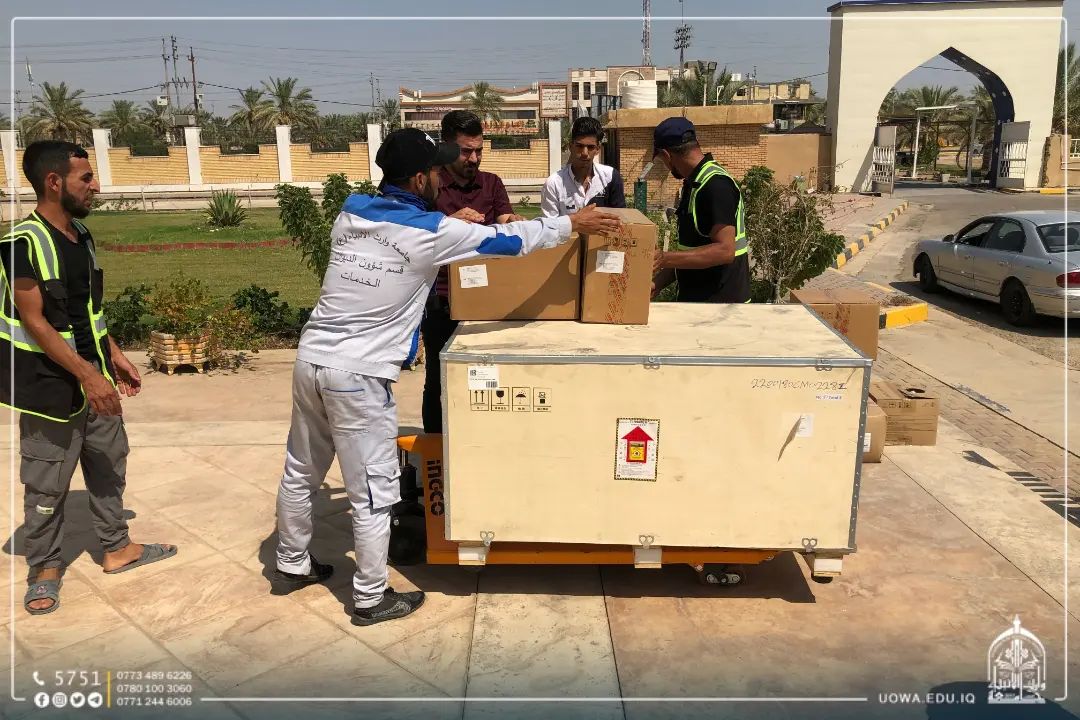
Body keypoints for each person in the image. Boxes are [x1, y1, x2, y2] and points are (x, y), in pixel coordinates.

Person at [274, 128, 620, 626]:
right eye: (437, 170)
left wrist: (447, 223)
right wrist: (572, 223)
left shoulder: (350, 212)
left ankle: (291, 562)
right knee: (373, 492)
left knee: (301, 470)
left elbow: (399, 236)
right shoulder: (431, 232)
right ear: (420, 179)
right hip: (359, 376)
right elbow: (510, 240)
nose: (444, 176)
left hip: (311, 360)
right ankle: (370, 598)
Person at [0, 140, 176, 616]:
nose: (96, 186)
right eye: (86, 178)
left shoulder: (81, 236)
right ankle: (45, 569)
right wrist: (88, 376)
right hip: (49, 389)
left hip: (95, 378)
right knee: (46, 484)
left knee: (108, 464)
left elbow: (85, 311)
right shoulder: (21, 243)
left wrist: (113, 356)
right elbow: (35, 322)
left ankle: (117, 548)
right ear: (54, 182)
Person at [419, 110, 524, 433]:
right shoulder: (431, 184)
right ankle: (436, 449)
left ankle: (479, 439)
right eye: (466, 152)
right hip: (442, 299)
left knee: (486, 378)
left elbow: (503, 218)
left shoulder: (491, 183)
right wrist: (450, 224)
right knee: (438, 378)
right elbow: (417, 235)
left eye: (479, 150)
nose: (474, 158)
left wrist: (513, 221)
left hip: (487, 301)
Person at [650, 117, 751, 303]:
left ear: (666, 155)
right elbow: (690, 249)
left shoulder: (715, 186)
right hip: (698, 304)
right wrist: (658, 283)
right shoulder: (694, 183)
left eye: (661, 161)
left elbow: (725, 250)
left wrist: (664, 258)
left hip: (720, 308)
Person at [540, 115, 626, 216]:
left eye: (591, 147)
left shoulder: (610, 177)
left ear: (598, 149)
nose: (585, 153)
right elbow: (550, 224)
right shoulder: (554, 184)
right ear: (571, 147)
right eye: (579, 146)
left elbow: (620, 218)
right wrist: (577, 222)